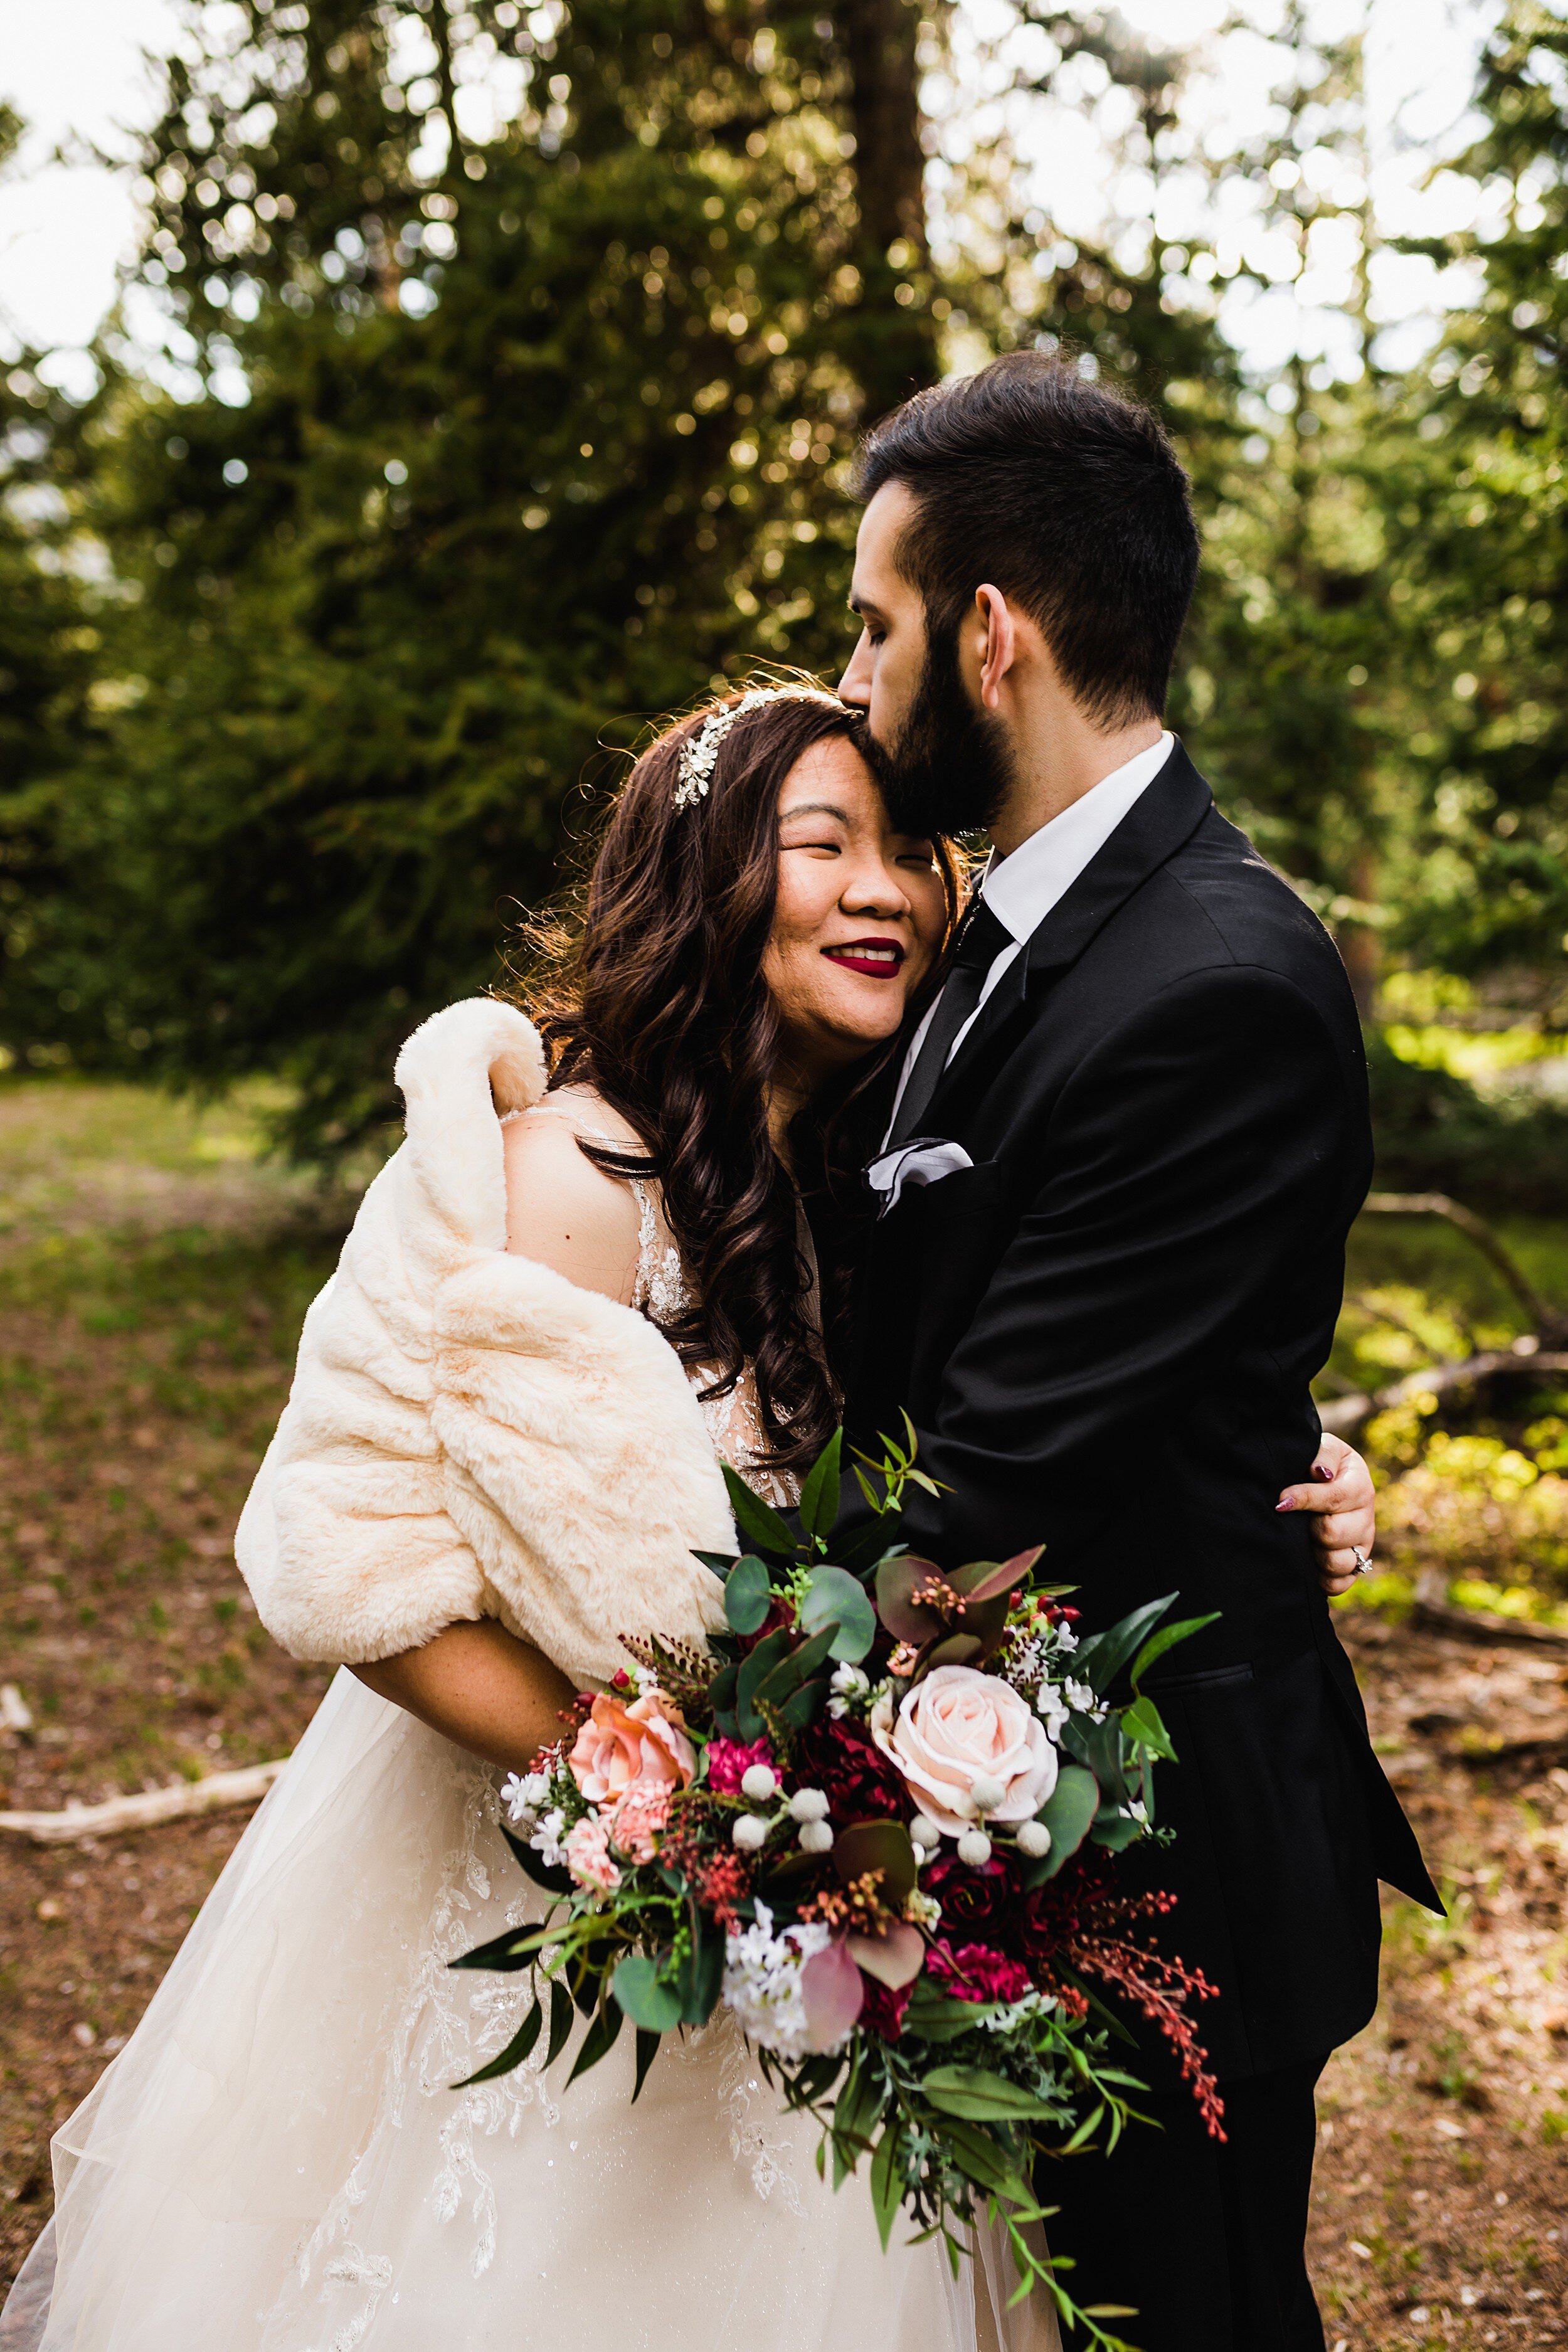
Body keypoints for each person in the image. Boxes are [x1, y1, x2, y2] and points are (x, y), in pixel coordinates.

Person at [0, 684, 1371, 2352]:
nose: (888, 889)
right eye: (823, 847)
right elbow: (346, 1563)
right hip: (570, 1909)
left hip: (816, 1926)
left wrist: (1284, 1473)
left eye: (912, 853)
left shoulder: (858, 1185)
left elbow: (1047, 1401)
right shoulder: (556, 1180)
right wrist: (667, 1819)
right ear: (707, 882)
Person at [831, 352, 1440, 2351]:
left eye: (876, 625)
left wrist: (670, 1711)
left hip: (1155, 1875)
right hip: (1009, 1826)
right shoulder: (985, 932)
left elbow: (993, 1478)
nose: (855, 682)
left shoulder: (1214, 979)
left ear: (987, 636)